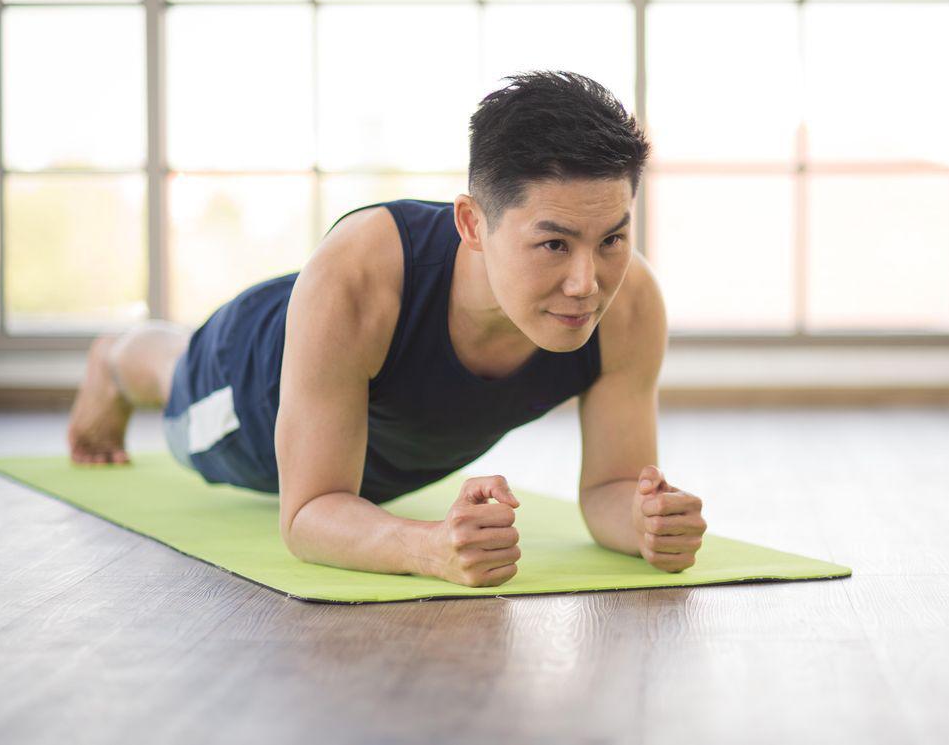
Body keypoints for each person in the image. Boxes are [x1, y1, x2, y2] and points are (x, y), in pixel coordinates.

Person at [66, 70, 707, 589]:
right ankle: (114, 360)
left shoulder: (629, 306)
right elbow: (308, 514)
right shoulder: (357, 277)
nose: (586, 284)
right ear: (472, 224)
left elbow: (607, 490)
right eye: (553, 245)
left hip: (381, 433)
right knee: (177, 380)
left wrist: (646, 521)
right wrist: (428, 548)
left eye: (613, 239)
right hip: (252, 381)